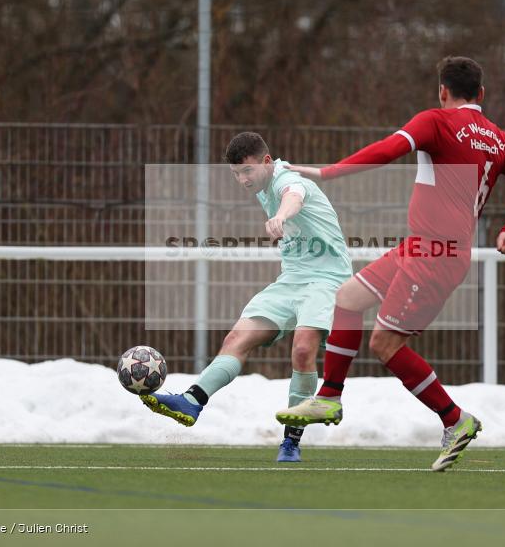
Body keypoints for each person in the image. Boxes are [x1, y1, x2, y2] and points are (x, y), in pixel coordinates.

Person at [275, 56, 505, 471]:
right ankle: (329, 397)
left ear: (443, 91)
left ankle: (455, 420)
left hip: (434, 255)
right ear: (481, 94)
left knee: (385, 344)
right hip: (421, 247)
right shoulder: (498, 139)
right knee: (347, 298)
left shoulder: (436, 120)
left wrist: (327, 172)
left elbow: (388, 149)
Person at [141, 131, 352, 463]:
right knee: (237, 336)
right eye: (236, 174)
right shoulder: (264, 182)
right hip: (292, 280)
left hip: (327, 280)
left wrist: (281, 216)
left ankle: (291, 442)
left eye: (248, 171)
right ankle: (192, 400)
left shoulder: (286, 180)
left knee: (302, 348)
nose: (242, 179)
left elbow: (293, 194)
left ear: (266, 162)